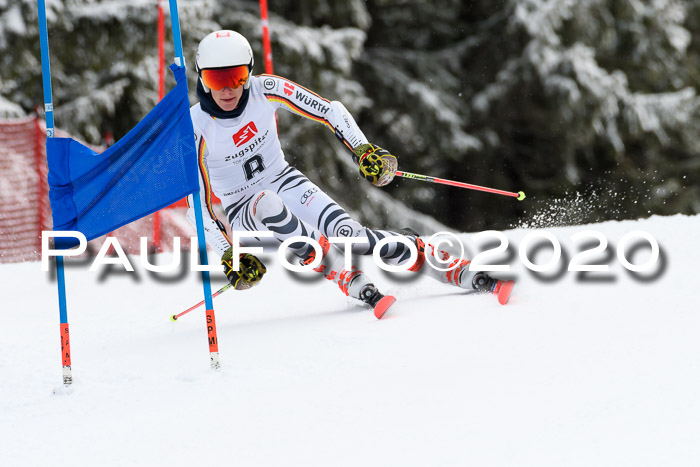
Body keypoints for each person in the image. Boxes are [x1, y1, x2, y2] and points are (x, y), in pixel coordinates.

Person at [186, 30, 511, 312]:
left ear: (249, 73)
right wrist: (228, 251)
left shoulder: (266, 88)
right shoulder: (196, 126)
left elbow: (330, 110)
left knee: (351, 235)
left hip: (284, 180)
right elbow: (195, 205)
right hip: (244, 208)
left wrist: (363, 149)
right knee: (268, 203)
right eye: (217, 79)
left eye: (237, 77)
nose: (227, 89)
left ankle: (444, 264)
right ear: (202, 77)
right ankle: (343, 272)